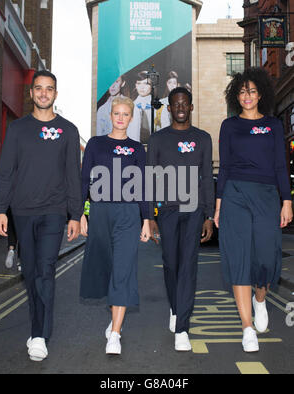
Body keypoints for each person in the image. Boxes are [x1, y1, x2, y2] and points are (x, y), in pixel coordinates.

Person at [0, 70, 83, 362]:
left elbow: (73, 176)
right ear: (32, 93)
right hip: (22, 211)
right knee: (30, 273)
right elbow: (5, 172)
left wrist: (75, 214)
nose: (44, 93)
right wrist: (0, 210)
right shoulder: (18, 129)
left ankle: (39, 334)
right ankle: (37, 327)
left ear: (56, 94)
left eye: (50, 89)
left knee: (45, 271)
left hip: (54, 213)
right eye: (39, 88)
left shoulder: (68, 130)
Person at [214, 67, 293, 353]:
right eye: (242, 91)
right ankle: (247, 327)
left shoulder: (272, 125)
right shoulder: (229, 125)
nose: (247, 96)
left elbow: (280, 166)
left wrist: (287, 200)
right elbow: (223, 167)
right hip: (235, 193)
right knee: (239, 258)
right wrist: (219, 204)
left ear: (261, 94)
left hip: (266, 194)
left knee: (266, 259)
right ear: (237, 96)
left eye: (252, 91)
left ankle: (261, 298)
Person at [79, 96, 151, 355]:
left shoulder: (137, 149)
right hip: (99, 212)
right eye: (117, 114)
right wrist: (80, 214)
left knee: (123, 269)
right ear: (110, 116)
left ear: (131, 118)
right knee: (107, 269)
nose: (121, 118)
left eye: (125, 114)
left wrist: (146, 219)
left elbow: (143, 186)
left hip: (128, 215)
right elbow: (84, 180)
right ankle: (115, 317)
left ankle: (116, 334)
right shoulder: (96, 145)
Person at [147, 87, 214, 351]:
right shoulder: (158, 140)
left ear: (192, 107)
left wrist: (209, 215)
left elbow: (207, 177)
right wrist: (150, 215)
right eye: (176, 104)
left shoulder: (203, 138)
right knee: (171, 264)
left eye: (185, 103)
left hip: (194, 209)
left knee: (188, 266)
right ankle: (176, 308)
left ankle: (183, 328)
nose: (181, 107)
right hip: (167, 211)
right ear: (170, 108)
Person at [97, 75, 141, 141]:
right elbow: (99, 138)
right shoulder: (102, 110)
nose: (112, 86)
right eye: (109, 82)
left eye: (116, 82)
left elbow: (135, 139)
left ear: (122, 83)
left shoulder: (133, 108)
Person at [133, 71, 154, 144]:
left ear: (152, 85)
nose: (142, 87)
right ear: (135, 85)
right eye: (139, 83)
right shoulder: (131, 106)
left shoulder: (159, 106)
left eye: (146, 83)